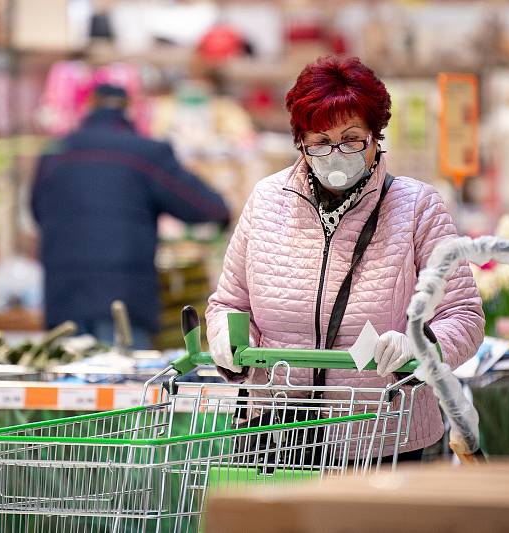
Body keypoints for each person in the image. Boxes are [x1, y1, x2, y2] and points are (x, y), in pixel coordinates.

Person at [206, 56, 484, 460]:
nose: (335, 153)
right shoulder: (267, 200)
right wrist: (229, 341)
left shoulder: (417, 207)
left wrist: (419, 346)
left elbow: (464, 315)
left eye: (351, 138)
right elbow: (229, 304)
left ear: (375, 136)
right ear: (301, 141)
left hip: (383, 436)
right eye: (320, 141)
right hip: (276, 435)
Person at [32, 84, 230, 349]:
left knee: (69, 384)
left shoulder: (54, 154)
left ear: (89, 107)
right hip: (123, 301)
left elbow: (36, 211)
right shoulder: (145, 154)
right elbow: (206, 207)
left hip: (64, 297)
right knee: (124, 385)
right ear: (128, 110)